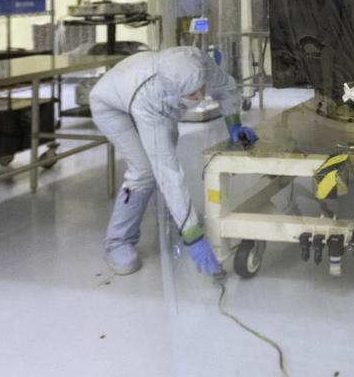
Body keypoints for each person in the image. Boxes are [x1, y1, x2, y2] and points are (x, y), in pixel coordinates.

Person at [90, 46, 257, 276]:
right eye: (192, 95)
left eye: (201, 90)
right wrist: (194, 237)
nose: (199, 98)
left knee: (165, 153)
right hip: (110, 106)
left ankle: (171, 214)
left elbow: (226, 86)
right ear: (173, 91)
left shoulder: (197, 64)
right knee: (145, 172)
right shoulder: (150, 99)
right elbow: (167, 171)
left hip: (140, 91)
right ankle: (118, 241)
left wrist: (233, 123)